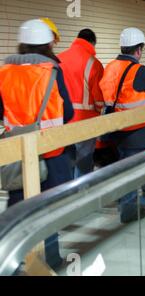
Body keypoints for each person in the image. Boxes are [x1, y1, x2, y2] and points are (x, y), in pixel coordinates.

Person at [0, 19, 74, 269]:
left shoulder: (4, 72)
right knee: (48, 209)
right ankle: (48, 260)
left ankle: (12, 260)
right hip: (50, 151)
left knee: (18, 206)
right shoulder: (51, 71)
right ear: (47, 44)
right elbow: (69, 112)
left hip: (17, 151)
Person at [99, 27, 145, 223]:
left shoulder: (110, 67)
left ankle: (128, 206)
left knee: (124, 170)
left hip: (115, 130)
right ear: (138, 50)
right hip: (136, 131)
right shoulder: (139, 72)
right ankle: (135, 209)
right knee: (143, 169)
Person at [58, 29, 104, 177]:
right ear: (92, 43)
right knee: (83, 165)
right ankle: (82, 197)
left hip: (62, 121)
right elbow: (99, 99)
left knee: (67, 162)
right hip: (86, 121)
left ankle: (68, 197)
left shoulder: (59, 59)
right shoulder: (93, 63)